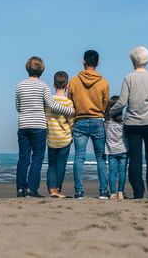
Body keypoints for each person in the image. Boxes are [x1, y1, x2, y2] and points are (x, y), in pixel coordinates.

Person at [109, 46, 148, 199]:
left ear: (133, 61)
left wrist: (109, 113)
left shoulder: (129, 78)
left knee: (135, 158)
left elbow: (121, 103)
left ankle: (138, 193)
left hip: (132, 123)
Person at [15, 56, 74, 198]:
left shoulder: (20, 85)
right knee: (37, 157)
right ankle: (31, 189)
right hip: (39, 126)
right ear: (42, 70)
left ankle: (21, 189)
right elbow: (52, 105)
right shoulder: (43, 86)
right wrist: (70, 111)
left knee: (23, 158)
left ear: (27, 68)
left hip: (23, 124)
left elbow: (18, 107)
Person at [67, 50, 110, 199]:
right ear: (98, 63)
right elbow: (105, 104)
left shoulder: (73, 81)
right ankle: (103, 191)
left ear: (83, 61)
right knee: (100, 157)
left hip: (79, 120)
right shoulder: (104, 82)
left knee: (79, 156)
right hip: (97, 120)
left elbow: (70, 102)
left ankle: (79, 192)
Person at [45, 71, 74, 198]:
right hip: (64, 138)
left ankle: (51, 189)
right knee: (61, 165)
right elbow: (71, 122)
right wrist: (71, 133)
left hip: (51, 137)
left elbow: (46, 118)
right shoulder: (68, 103)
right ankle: (57, 188)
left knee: (51, 165)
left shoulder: (48, 101)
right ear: (67, 85)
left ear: (53, 85)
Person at [104, 96, 128, 199]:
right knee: (122, 172)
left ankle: (113, 193)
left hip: (111, 151)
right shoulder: (124, 122)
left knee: (112, 172)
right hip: (123, 150)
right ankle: (121, 192)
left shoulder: (106, 123)